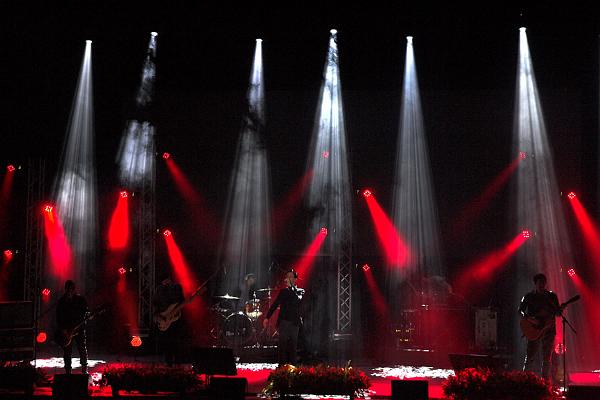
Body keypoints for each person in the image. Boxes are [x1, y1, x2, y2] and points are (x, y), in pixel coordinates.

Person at [519, 273, 562, 380]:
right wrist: (529, 319)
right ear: (535, 283)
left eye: (543, 282)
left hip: (549, 329)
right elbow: (520, 310)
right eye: (539, 282)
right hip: (534, 329)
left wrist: (560, 311)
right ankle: (524, 380)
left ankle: (545, 381)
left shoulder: (551, 296)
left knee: (547, 357)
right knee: (530, 356)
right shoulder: (529, 296)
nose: (541, 284)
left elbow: (557, 313)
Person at [263, 270, 304, 365]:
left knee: (293, 347)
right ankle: (281, 367)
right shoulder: (283, 292)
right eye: (287, 276)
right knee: (282, 347)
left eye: (291, 276)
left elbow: (297, 300)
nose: (288, 278)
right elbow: (274, 305)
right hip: (284, 322)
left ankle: (293, 367)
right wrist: (267, 317)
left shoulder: (300, 291)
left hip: (295, 322)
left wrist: (291, 288)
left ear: (295, 279)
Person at [56, 280, 89, 374]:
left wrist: (87, 316)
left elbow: (86, 311)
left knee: (82, 349)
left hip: (79, 329)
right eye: (68, 289)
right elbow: (58, 316)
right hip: (66, 330)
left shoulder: (80, 300)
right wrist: (63, 329)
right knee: (67, 351)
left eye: (71, 289)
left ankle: (84, 369)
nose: (70, 291)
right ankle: (68, 371)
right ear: (65, 289)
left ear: (74, 289)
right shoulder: (62, 301)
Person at [153, 272, 185, 366]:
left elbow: (181, 300)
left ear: (169, 279)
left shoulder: (177, 287)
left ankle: (177, 362)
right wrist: (158, 316)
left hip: (175, 318)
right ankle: (169, 362)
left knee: (176, 340)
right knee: (167, 342)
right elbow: (155, 303)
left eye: (166, 281)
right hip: (163, 318)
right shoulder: (159, 289)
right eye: (163, 282)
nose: (165, 283)